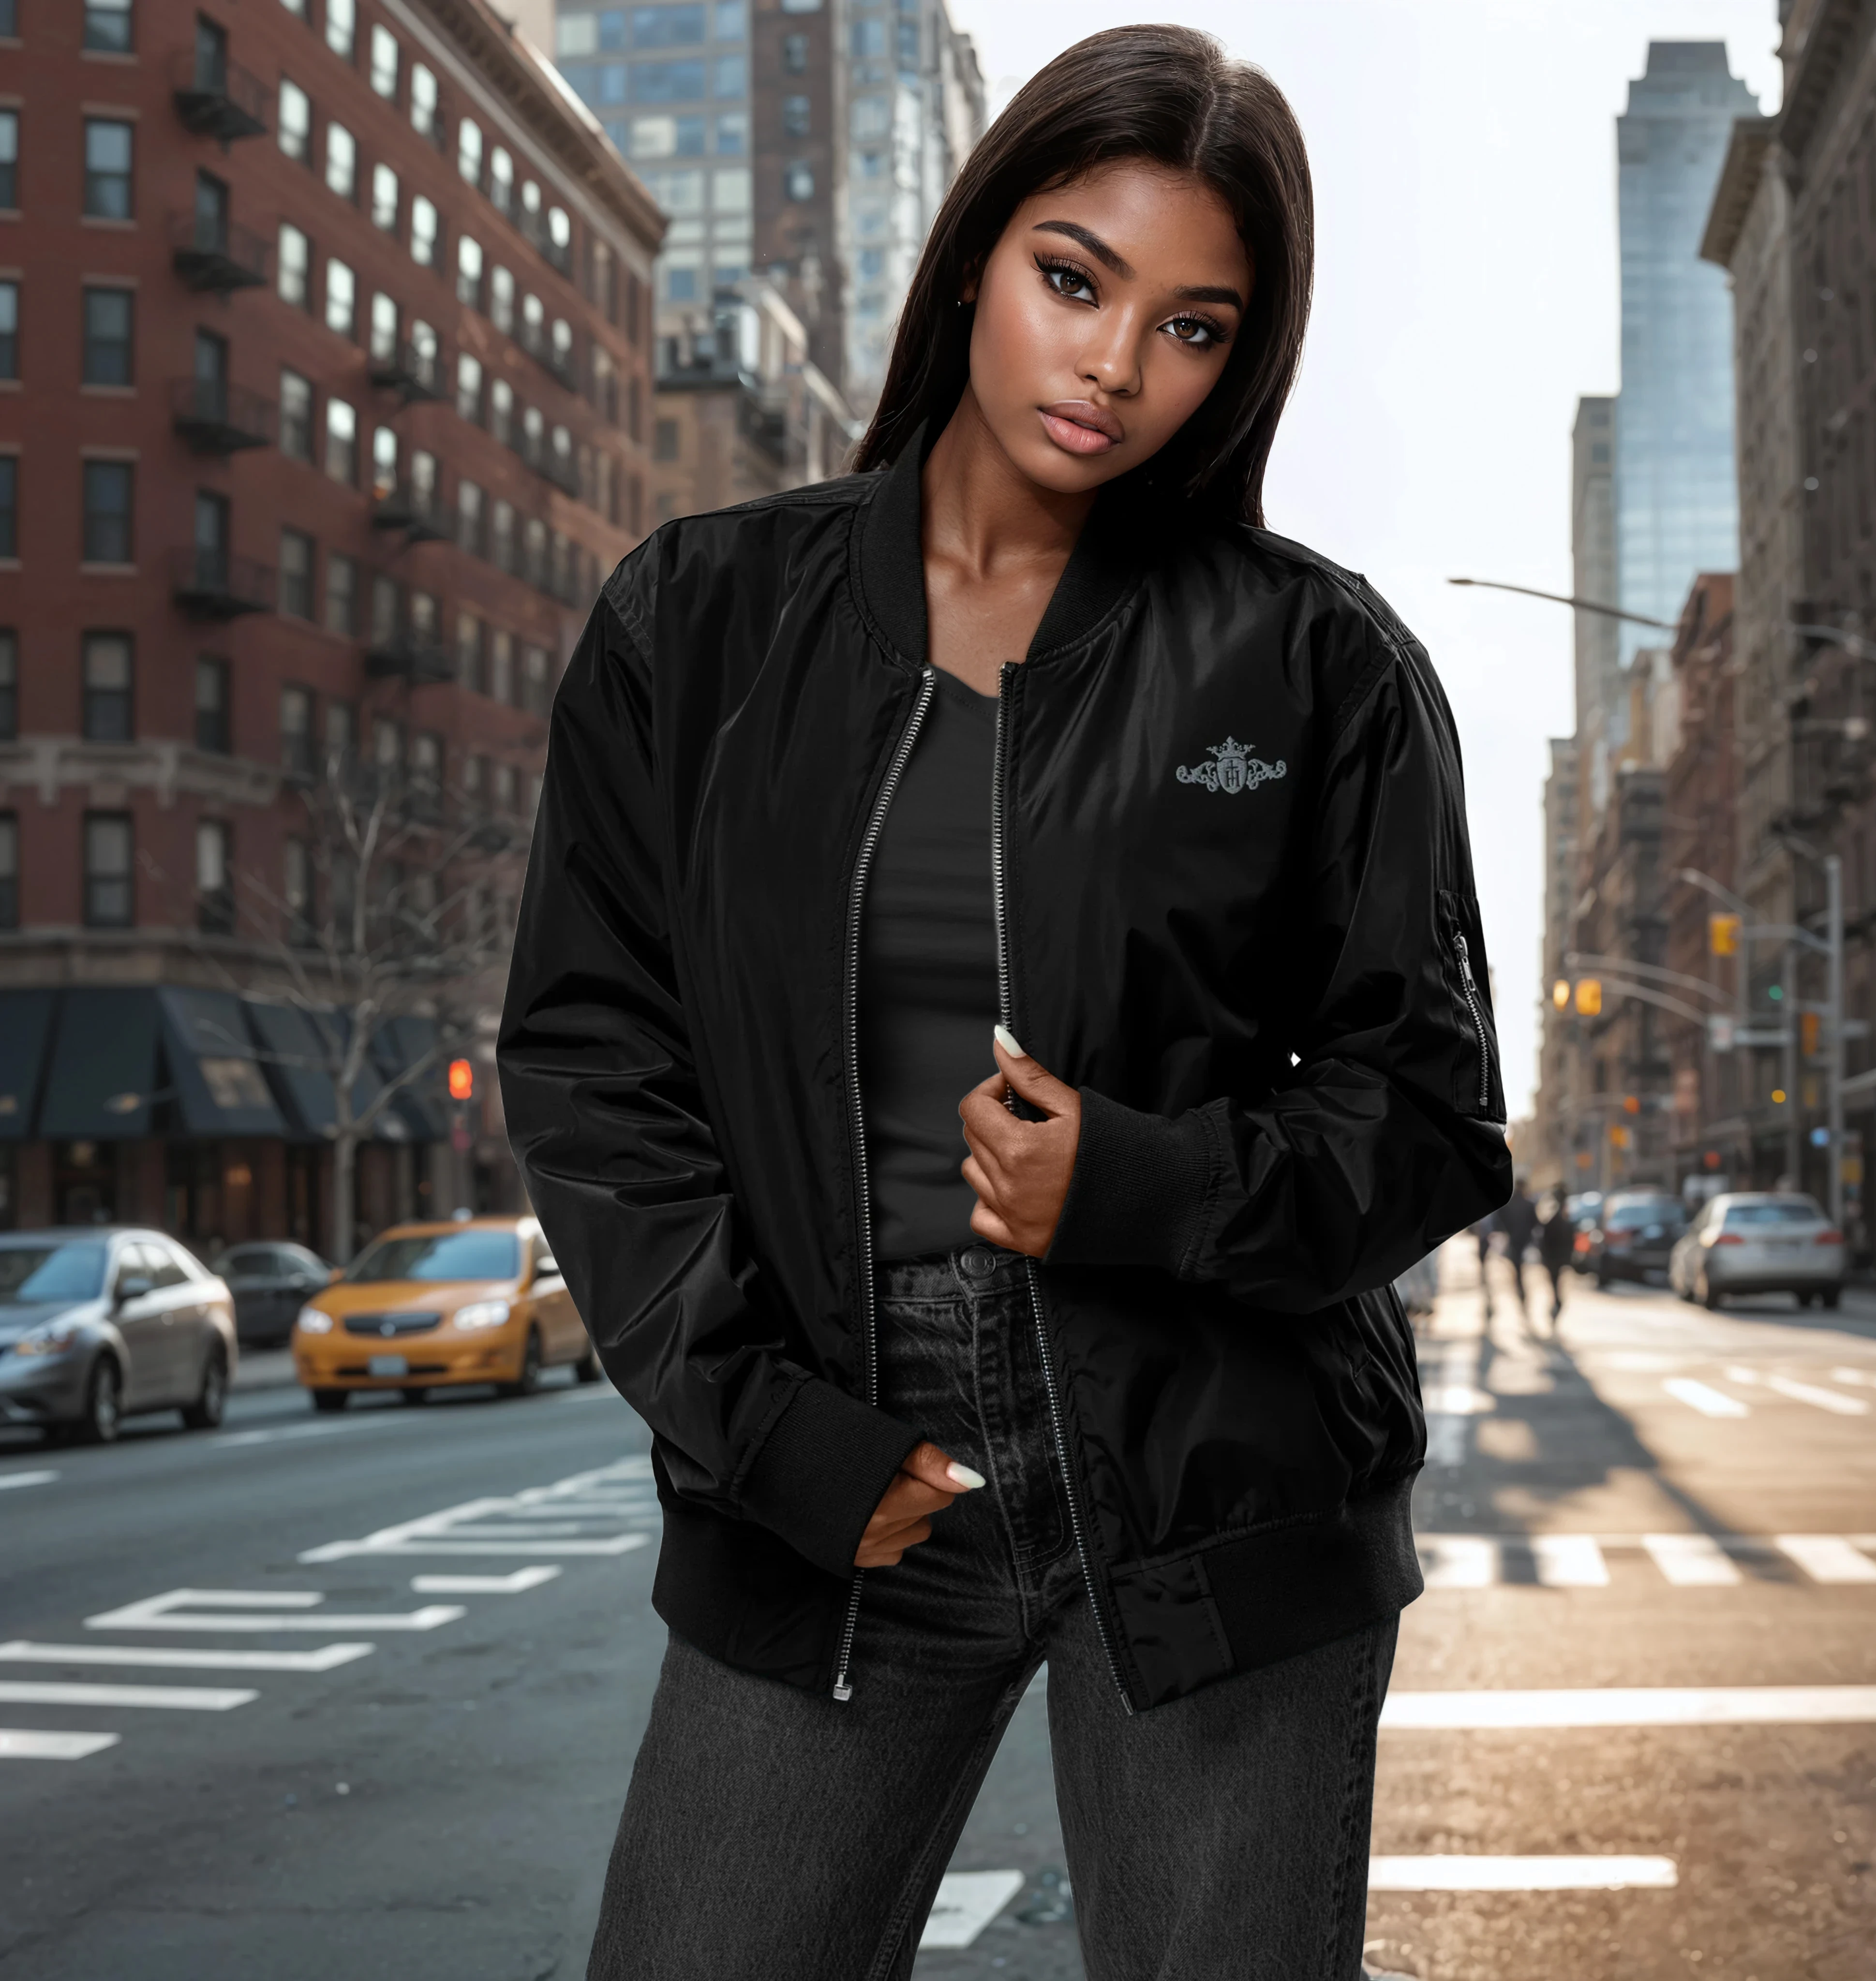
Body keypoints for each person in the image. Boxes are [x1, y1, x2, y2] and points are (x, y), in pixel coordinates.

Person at [498, 26, 1510, 1980]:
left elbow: (1429, 1107)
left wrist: (1141, 1184)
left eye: (1192, 327)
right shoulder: (696, 624)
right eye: (1073, 277)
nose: (1115, 365)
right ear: (974, 254)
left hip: (1217, 1477)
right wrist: (763, 1428)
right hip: (832, 1463)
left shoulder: (1315, 663)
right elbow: (594, 1064)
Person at [1497, 1179, 1539, 1313]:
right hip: (1526, 1242)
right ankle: (1522, 1291)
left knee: (1517, 1268)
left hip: (1514, 1241)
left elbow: (1500, 1221)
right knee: (1524, 1269)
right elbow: (1536, 1223)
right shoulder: (1529, 1204)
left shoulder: (1508, 1205)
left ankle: (1520, 1289)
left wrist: (1509, 1232)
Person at [1537, 1192, 1577, 1328]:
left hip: (1553, 1260)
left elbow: (1545, 1243)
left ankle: (1557, 1303)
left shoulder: (1554, 1223)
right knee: (1556, 1284)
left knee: (1555, 1284)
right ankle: (1557, 1303)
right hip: (1557, 1260)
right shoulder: (1564, 1224)